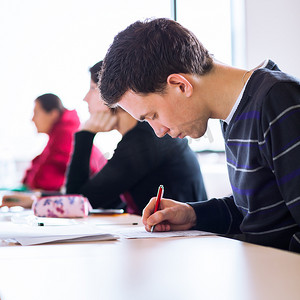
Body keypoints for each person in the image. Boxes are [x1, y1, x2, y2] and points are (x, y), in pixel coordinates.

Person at [99, 18, 300, 253]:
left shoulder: (278, 101)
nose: (159, 131)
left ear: (180, 85)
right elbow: (258, 212)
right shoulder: (237, 116)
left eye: (152, 115)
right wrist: (192, 214)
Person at [66, 60, 207, 214]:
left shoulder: (143, 140)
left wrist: (85, 136)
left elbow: (76, 202)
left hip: (187, 236)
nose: (85, 98)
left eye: (93, 88)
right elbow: (107, 197)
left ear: (113, 94)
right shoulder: (140, 135)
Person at [1, 93, 105, 208]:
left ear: (53, 114)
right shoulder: (58, 135)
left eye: (36, 112)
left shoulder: (66, 136)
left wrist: (33, 197)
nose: (32, 119)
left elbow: (50, 183)